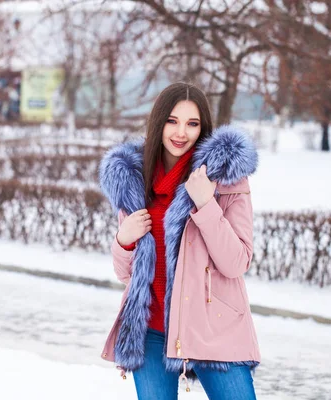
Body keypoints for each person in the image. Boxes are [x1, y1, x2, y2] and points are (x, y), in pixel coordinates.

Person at [98, 82, 260, 400]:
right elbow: (125, 274)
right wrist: (124, 239)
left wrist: (206, 205)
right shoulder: (134, 180)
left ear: (203, 128)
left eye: (192, 123)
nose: (181, 132)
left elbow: (236, 261)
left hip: (213, 326)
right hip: (151, 330)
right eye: (172, 121)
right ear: (158, 122)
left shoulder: (225, 179)